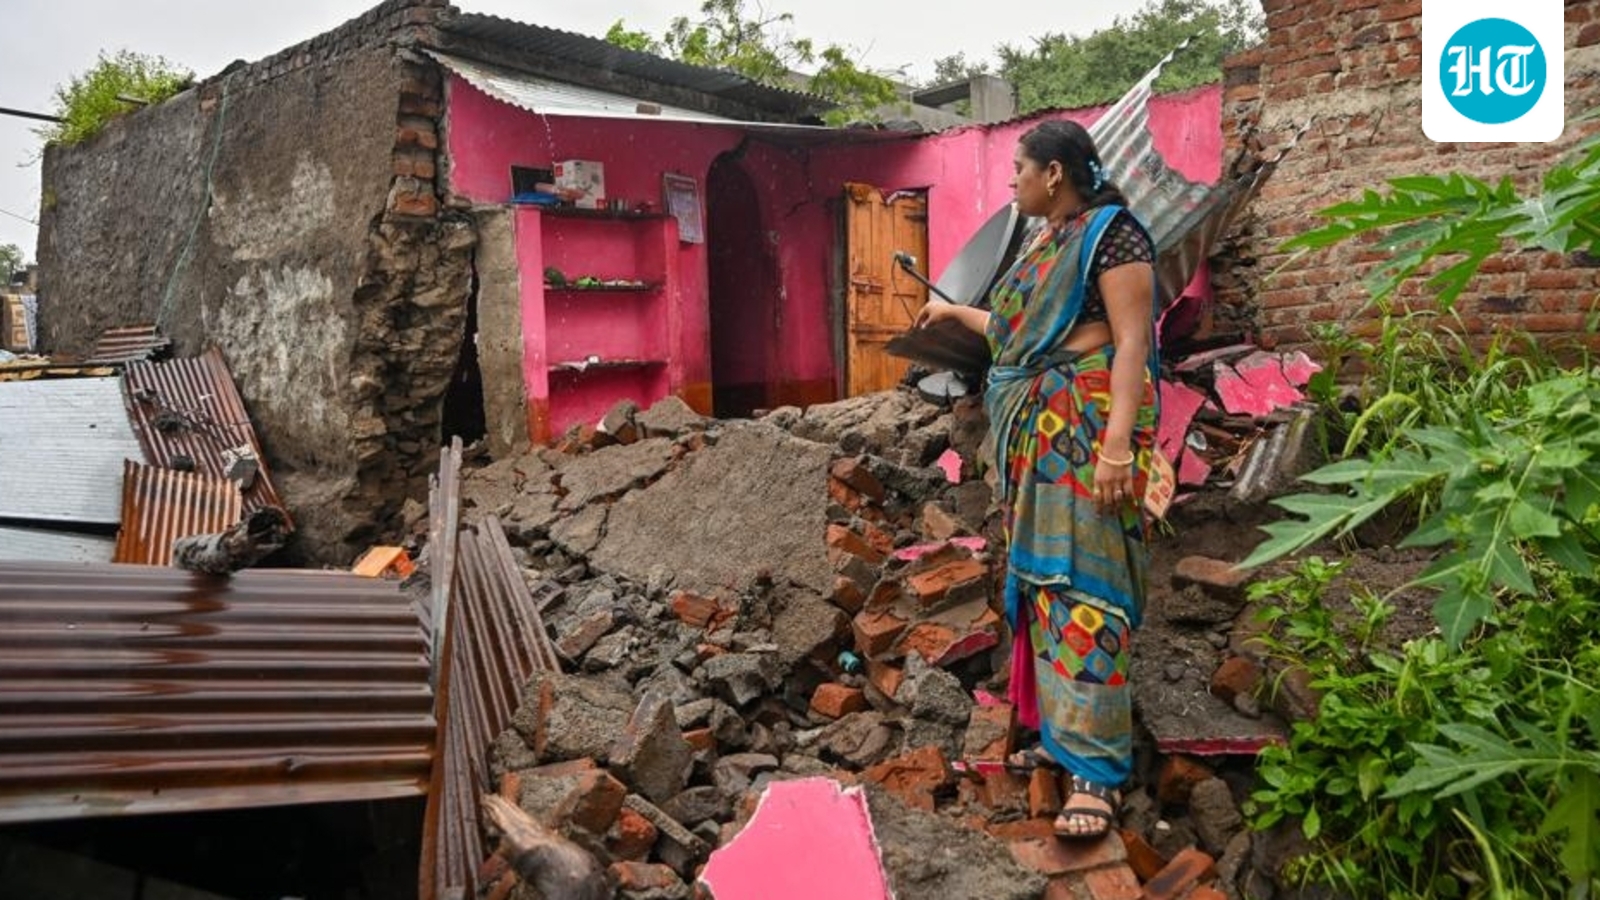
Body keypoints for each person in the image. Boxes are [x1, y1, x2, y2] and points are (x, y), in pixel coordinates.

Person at [915, 119, 1159, 840]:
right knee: (1047, 588)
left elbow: (1132, 341)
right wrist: (956, 312)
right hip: (1034, 439)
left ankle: (1098, 772)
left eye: (1019, 167)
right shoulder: (1043, 242)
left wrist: (1117, 448)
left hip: (1085, 435)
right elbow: (1019, 334)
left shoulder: (1115, 236)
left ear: (1055, 173)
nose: (1012, 179)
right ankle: (1061, 736)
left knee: (1088, 584)